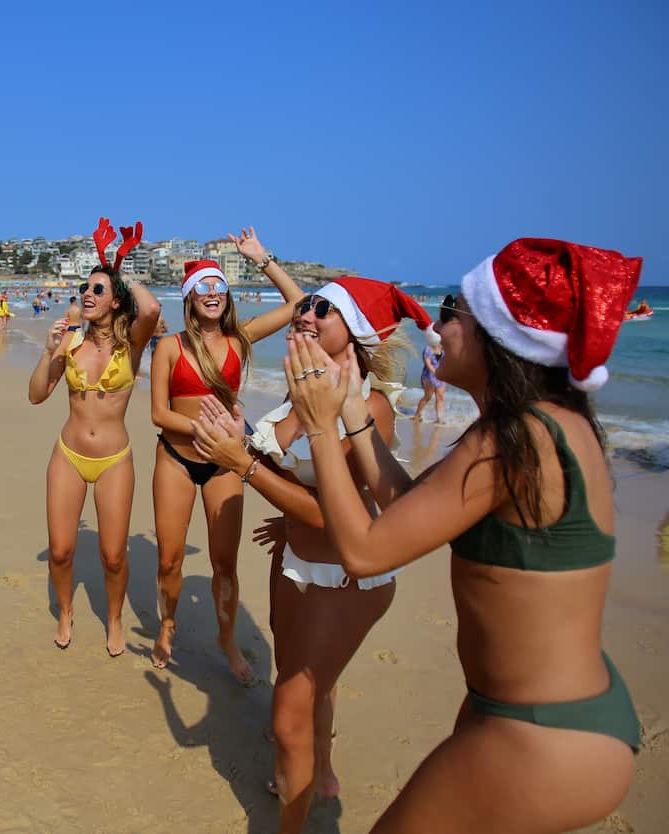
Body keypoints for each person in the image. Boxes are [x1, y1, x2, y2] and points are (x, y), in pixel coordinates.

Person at [276, 239, 642, 833]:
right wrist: (351, 412)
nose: (437, 327)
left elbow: (365, 553)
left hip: (540, 734)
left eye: (453, 313)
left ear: (500, 337)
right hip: (553, 715)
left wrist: (318, 426)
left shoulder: (512, 441)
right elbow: (407, 506)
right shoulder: (547, 425)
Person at [192, 276, 439, 833]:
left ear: (354, 330)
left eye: (322, 309)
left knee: (287, 715)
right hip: (294, 558)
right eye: (304, 305)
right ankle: (320, 769)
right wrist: (240, 439)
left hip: (345, 577)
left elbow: (336, 516)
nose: (304, 314)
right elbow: (293, 474)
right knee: (299, 672)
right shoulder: (300, 394)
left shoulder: (371, 407)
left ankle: (300, 792)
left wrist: (242, 464)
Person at [148, 229, 302, 678]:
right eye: (203, 287)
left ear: (227, 295)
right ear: (190, 297)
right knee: (169, 559)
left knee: (225, 565)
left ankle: (227, 640)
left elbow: (298, 303)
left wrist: (261, 258)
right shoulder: (170, 347)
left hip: (225, 464)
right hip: (176, 460)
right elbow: (159, 413)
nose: (212, 293)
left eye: (219, 286)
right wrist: (205, 429)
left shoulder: (240, 339)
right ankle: (168, 625)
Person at [28, 218, 161, 657]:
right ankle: (66, 611)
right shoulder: (70, 341)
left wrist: (118, 270)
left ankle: (115, 618)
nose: (87, 293)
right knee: (60, 551)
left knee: (114, 556)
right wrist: (49, 351)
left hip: (113, 459)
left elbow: (151, 309)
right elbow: (36, 395)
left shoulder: (132, 344)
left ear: (116, 301)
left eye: (98, 290)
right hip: (68, 454)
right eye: (85, 287)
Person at [413, 342, 446, 423]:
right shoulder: (428, 349)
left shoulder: (444, 349)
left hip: (441, 377)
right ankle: (417, 415)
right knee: (428, 397)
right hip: (429, 376)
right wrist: (436, 373)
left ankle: (439, 418)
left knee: (440, 397)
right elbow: (428, 364)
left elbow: (447, 362)